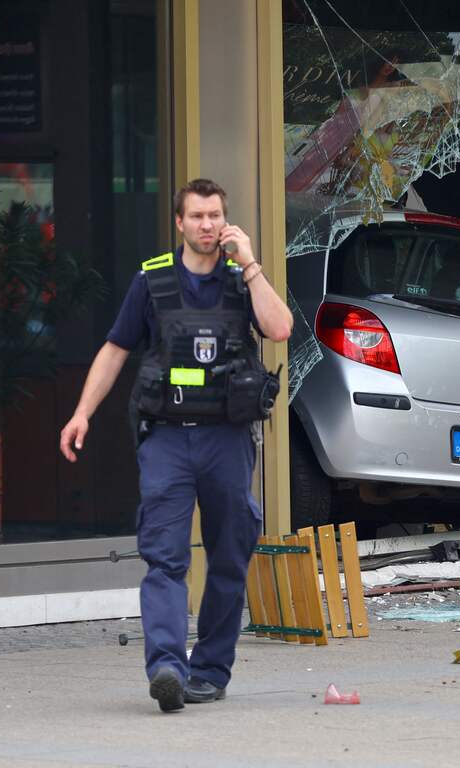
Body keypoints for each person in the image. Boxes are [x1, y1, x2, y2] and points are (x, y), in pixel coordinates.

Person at [59, 178, 293, 712]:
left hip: (228, 441)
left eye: (215, 216)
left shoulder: (241, 281)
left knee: (230, 554)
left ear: (225, 221)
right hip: (166, 439)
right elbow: (116, 349)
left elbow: (279, 329)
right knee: (164, 557)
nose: (207, 225)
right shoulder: (153, 282)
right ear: (180, 223)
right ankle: (166, 666)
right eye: (197, 216)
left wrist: (252, 263)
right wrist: (81, 414)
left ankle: (209, 670)